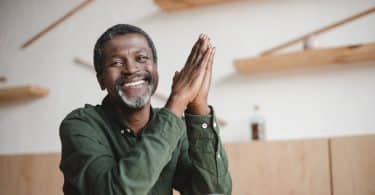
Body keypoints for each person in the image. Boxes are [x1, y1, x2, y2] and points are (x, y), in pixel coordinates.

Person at [59, 24, 232, 195]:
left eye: (141, 58)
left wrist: (198, 105)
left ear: (156, 69)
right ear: (101, 79)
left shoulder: (175, 127)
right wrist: (178, 101)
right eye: (117, 62)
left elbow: (214, 192)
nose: (131, 69)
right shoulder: (80, 125)